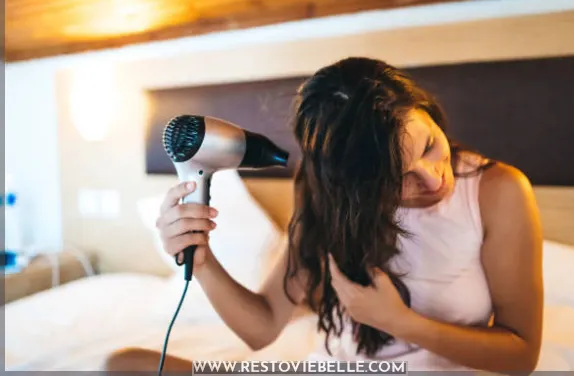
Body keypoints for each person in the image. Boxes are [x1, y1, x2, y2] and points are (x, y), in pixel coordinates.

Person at [104, 57, 543, 373]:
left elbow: (521, 355)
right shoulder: (330, 204)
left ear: (427, 113)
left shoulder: (497, 191)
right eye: (396, 178)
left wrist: (398, 322)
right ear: (352, 187)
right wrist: (201, 262)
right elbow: (261, 328)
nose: (432, 179)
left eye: (429, 145)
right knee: (123, 365)